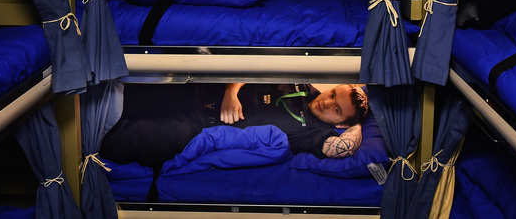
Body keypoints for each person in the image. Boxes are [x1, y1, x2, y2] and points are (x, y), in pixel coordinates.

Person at [100, 82, 369, 168]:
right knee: (133, 97)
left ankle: (92, 144)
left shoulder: (317, 134)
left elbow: (343, 148)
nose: (327, 102)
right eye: (333, 94)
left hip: (203, 130)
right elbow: (255, 68)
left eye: (337, 110)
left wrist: (355, 123)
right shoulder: (300, 85)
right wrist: (233, 91)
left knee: (145, 136)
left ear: (342, 124)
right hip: (204, 97)